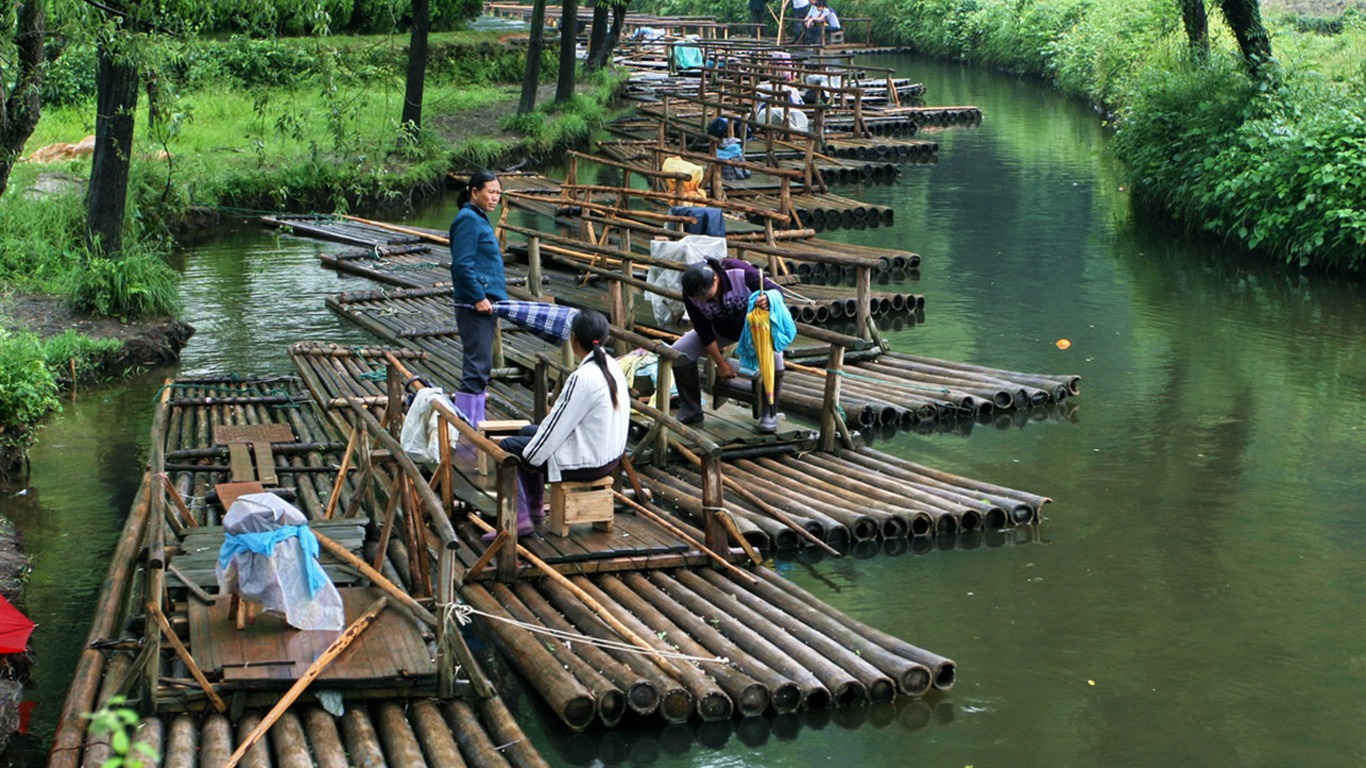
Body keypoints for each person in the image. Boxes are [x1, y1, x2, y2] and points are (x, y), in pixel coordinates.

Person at [491, 310, 629, 539]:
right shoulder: (612, 366)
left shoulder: (583, 378)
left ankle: (517, 519)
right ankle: (534, 508)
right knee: (527, 432)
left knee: (507, 447)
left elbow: (557, 425)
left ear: (573, 339)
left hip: (588, 463)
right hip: (609, 457)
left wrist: (532, 457)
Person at [670, 258, 785, 432]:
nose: (702, 299)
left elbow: (776, 292)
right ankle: (691, 408)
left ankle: (769, 412)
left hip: (755, 328)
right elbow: (703, 330)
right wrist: (720, 362)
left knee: (775, 360)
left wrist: (768, 300)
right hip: (720, 329)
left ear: (715, 279)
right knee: (679, 352)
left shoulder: (741, 272)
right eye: (698, 296)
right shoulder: (690, 295)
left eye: (705, 294)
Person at [449, 169, 506, 434]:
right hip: (475, 306)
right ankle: (468, 432)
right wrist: (478, 297)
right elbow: (462, 266)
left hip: (486, 304)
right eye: (491, 192)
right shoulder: (468, 220)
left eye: (498, 193)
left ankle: (474, 426)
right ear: (474, 192)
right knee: (477, 365)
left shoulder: (478, 219)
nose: (495, 198)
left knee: (481, 365)